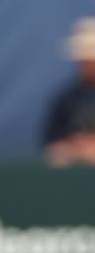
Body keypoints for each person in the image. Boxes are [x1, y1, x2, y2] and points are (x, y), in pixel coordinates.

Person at [43, 17, 95, 166]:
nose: (84, 64)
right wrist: (74, 149)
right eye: (82, 59)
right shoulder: (66, 98)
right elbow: (50, 145)